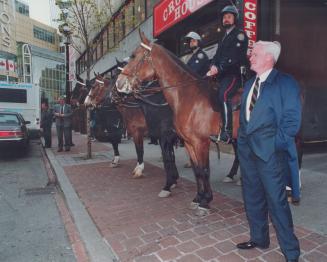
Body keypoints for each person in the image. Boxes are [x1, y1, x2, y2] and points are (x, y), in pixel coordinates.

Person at [236, 41, 301, 262]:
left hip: (270, 155)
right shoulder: (249, 85)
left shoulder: (285, 83)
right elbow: (246, 120)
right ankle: (259, 238)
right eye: (251, 54)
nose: (250, 57)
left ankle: (291, 252)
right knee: (252, 197)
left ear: (269, 58)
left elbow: (292, 122)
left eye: (255, 54)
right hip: (247, 154)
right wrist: (241, 144)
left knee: (277, 201)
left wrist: (273, 147)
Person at [208, 5, 248, 144]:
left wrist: (218, 68)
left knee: (223, 95)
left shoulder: (239, 34)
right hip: (222, 75)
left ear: (234, 19)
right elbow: (216, 56)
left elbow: (234, 57)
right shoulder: (223, 37)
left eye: (229, 17)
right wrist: (212, 65)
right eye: (224, 17)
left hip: (233, 75)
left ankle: (227, 132)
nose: (226, 19)